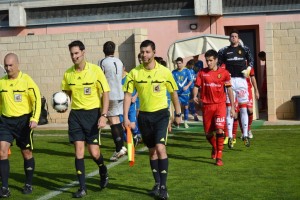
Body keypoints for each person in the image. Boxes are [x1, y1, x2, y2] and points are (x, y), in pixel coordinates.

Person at [123, 40, 181, 200]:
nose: (144, 55)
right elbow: (127, 95)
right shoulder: (134, 73)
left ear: (154, 52)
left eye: (147, 52)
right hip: (144, 117)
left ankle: (163, 187)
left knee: (160, 148)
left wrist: (178, 113)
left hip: (161, 115)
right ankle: (156, 184)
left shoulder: (164, 72)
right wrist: (126, 117)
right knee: (152, 151)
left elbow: (174, 93)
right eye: (142, 52)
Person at [61, 40, 110, 198]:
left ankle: (103, 169)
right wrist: (61, 105)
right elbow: (66, 95)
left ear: (83, 52)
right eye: (72, 54)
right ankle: (82, 188)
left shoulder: (95, 71)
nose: (74, 56)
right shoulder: (68, 74)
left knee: (94, 152)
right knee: (79, 151)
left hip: (93, 115)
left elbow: (105, 94)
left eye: (76, 53)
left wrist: (103, 115)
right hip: (75, 115)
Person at [0, 53, 41, 197]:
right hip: (5, 122)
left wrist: (35, 118)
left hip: (24, 122)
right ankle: (4, 188)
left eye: (10, 65)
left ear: (18, 64)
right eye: (6, 65)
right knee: (2, 151)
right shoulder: (2, 82)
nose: (8, 68)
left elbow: (37, 100)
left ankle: (28, 184)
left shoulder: (27, 80)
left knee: (26, 153)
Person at [193, 49, 235, 166]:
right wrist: (194, 95)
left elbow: (229, 90)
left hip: (220, 105)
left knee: (220, 130)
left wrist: (232, 107)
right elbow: (196, 86)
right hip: (207, 106)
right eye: (207, 61)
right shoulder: (202, 72)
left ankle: (219, 157)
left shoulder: (224, 73)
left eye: (211, 60)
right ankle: (215, 147)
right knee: (208, 134)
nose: (209, 63)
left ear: (216, 60)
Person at [218, 30, 254, 147]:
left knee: (243, 109)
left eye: (235, 36)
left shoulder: (245, 49)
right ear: (229, 38)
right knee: (229, 109)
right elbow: (219, 64)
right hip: (230, 81)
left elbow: (251, 61)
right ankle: (229, 136)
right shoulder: (224, 50)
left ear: (238, 39)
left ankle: (245, 135)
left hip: (242, 81)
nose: (233, 38)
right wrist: (223, 73)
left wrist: (248, 70)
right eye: (232, 36)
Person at [98, 41, 127, 162]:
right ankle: (123, 147)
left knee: (112, 120)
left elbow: (99, 76)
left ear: (103, 50)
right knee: (117, 120)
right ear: (114, 50)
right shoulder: (119, 61)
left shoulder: (102, 62)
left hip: (110, 94)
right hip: (120, 93)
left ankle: (119, 148)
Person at [172, 57, 193, 128]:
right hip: (177, 93)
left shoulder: (187, 71)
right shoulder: (174, 72)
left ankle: (185, 122)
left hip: (185, 93)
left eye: (180, 63)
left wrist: (187, 86)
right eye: (177, 63)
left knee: (186, 107)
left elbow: (191, 80)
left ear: (182, 63)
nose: (178, 65)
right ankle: (177, 122)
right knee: (177, 107)